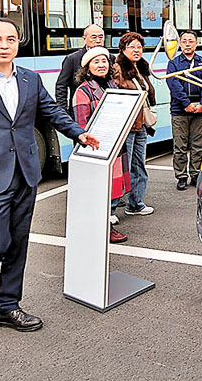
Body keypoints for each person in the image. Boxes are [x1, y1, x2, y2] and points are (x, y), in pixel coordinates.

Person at [0, 18, 99, 332]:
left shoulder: (30, 79)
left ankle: (8, 307)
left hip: (27, 171)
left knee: (18, 243)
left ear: (18, 43)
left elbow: (51, 111)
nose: (5, 45)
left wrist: (78, 133)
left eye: (11, 39)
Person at [72, 46, 129, 244]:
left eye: (104, 61)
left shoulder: (113, 85)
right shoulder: (83, 90)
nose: (101, 65)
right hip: (98, 148)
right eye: (96, 62)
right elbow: (81, 124)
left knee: (111, 190)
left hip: (116, 145)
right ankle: (103, 229)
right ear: (87, 68)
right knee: (99, 191)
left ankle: (103, 226)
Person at [111, 32, 155, 216]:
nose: (137, 51)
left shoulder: (141, 68)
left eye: (139, 47)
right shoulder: (117, 68)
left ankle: (135, 203)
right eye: (132, 47)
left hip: (140, 126)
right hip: (125, 126)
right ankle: (111, 210)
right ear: (123, 49)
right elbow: (113, 94)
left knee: (139, 165)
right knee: (121, 168)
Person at [166, 31, 202, 190]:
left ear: (196, 43)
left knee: (198, 145)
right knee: (180, 145)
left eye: (191, 41)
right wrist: (186, 103)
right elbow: (173, 85)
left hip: (200, 110)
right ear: (179, 44)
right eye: (184, 41)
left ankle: (195, 174)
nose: (187, 44)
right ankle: (181, 176)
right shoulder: (174, 63)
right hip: (179, 110)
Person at [55, 23, 106, 115]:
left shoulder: (109, 58)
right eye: (93, 37)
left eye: (101, 37)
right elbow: (61, 86)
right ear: (84, 39)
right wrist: (63, 112)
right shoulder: (73, 59)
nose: (98, 40)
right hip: (79, 111)